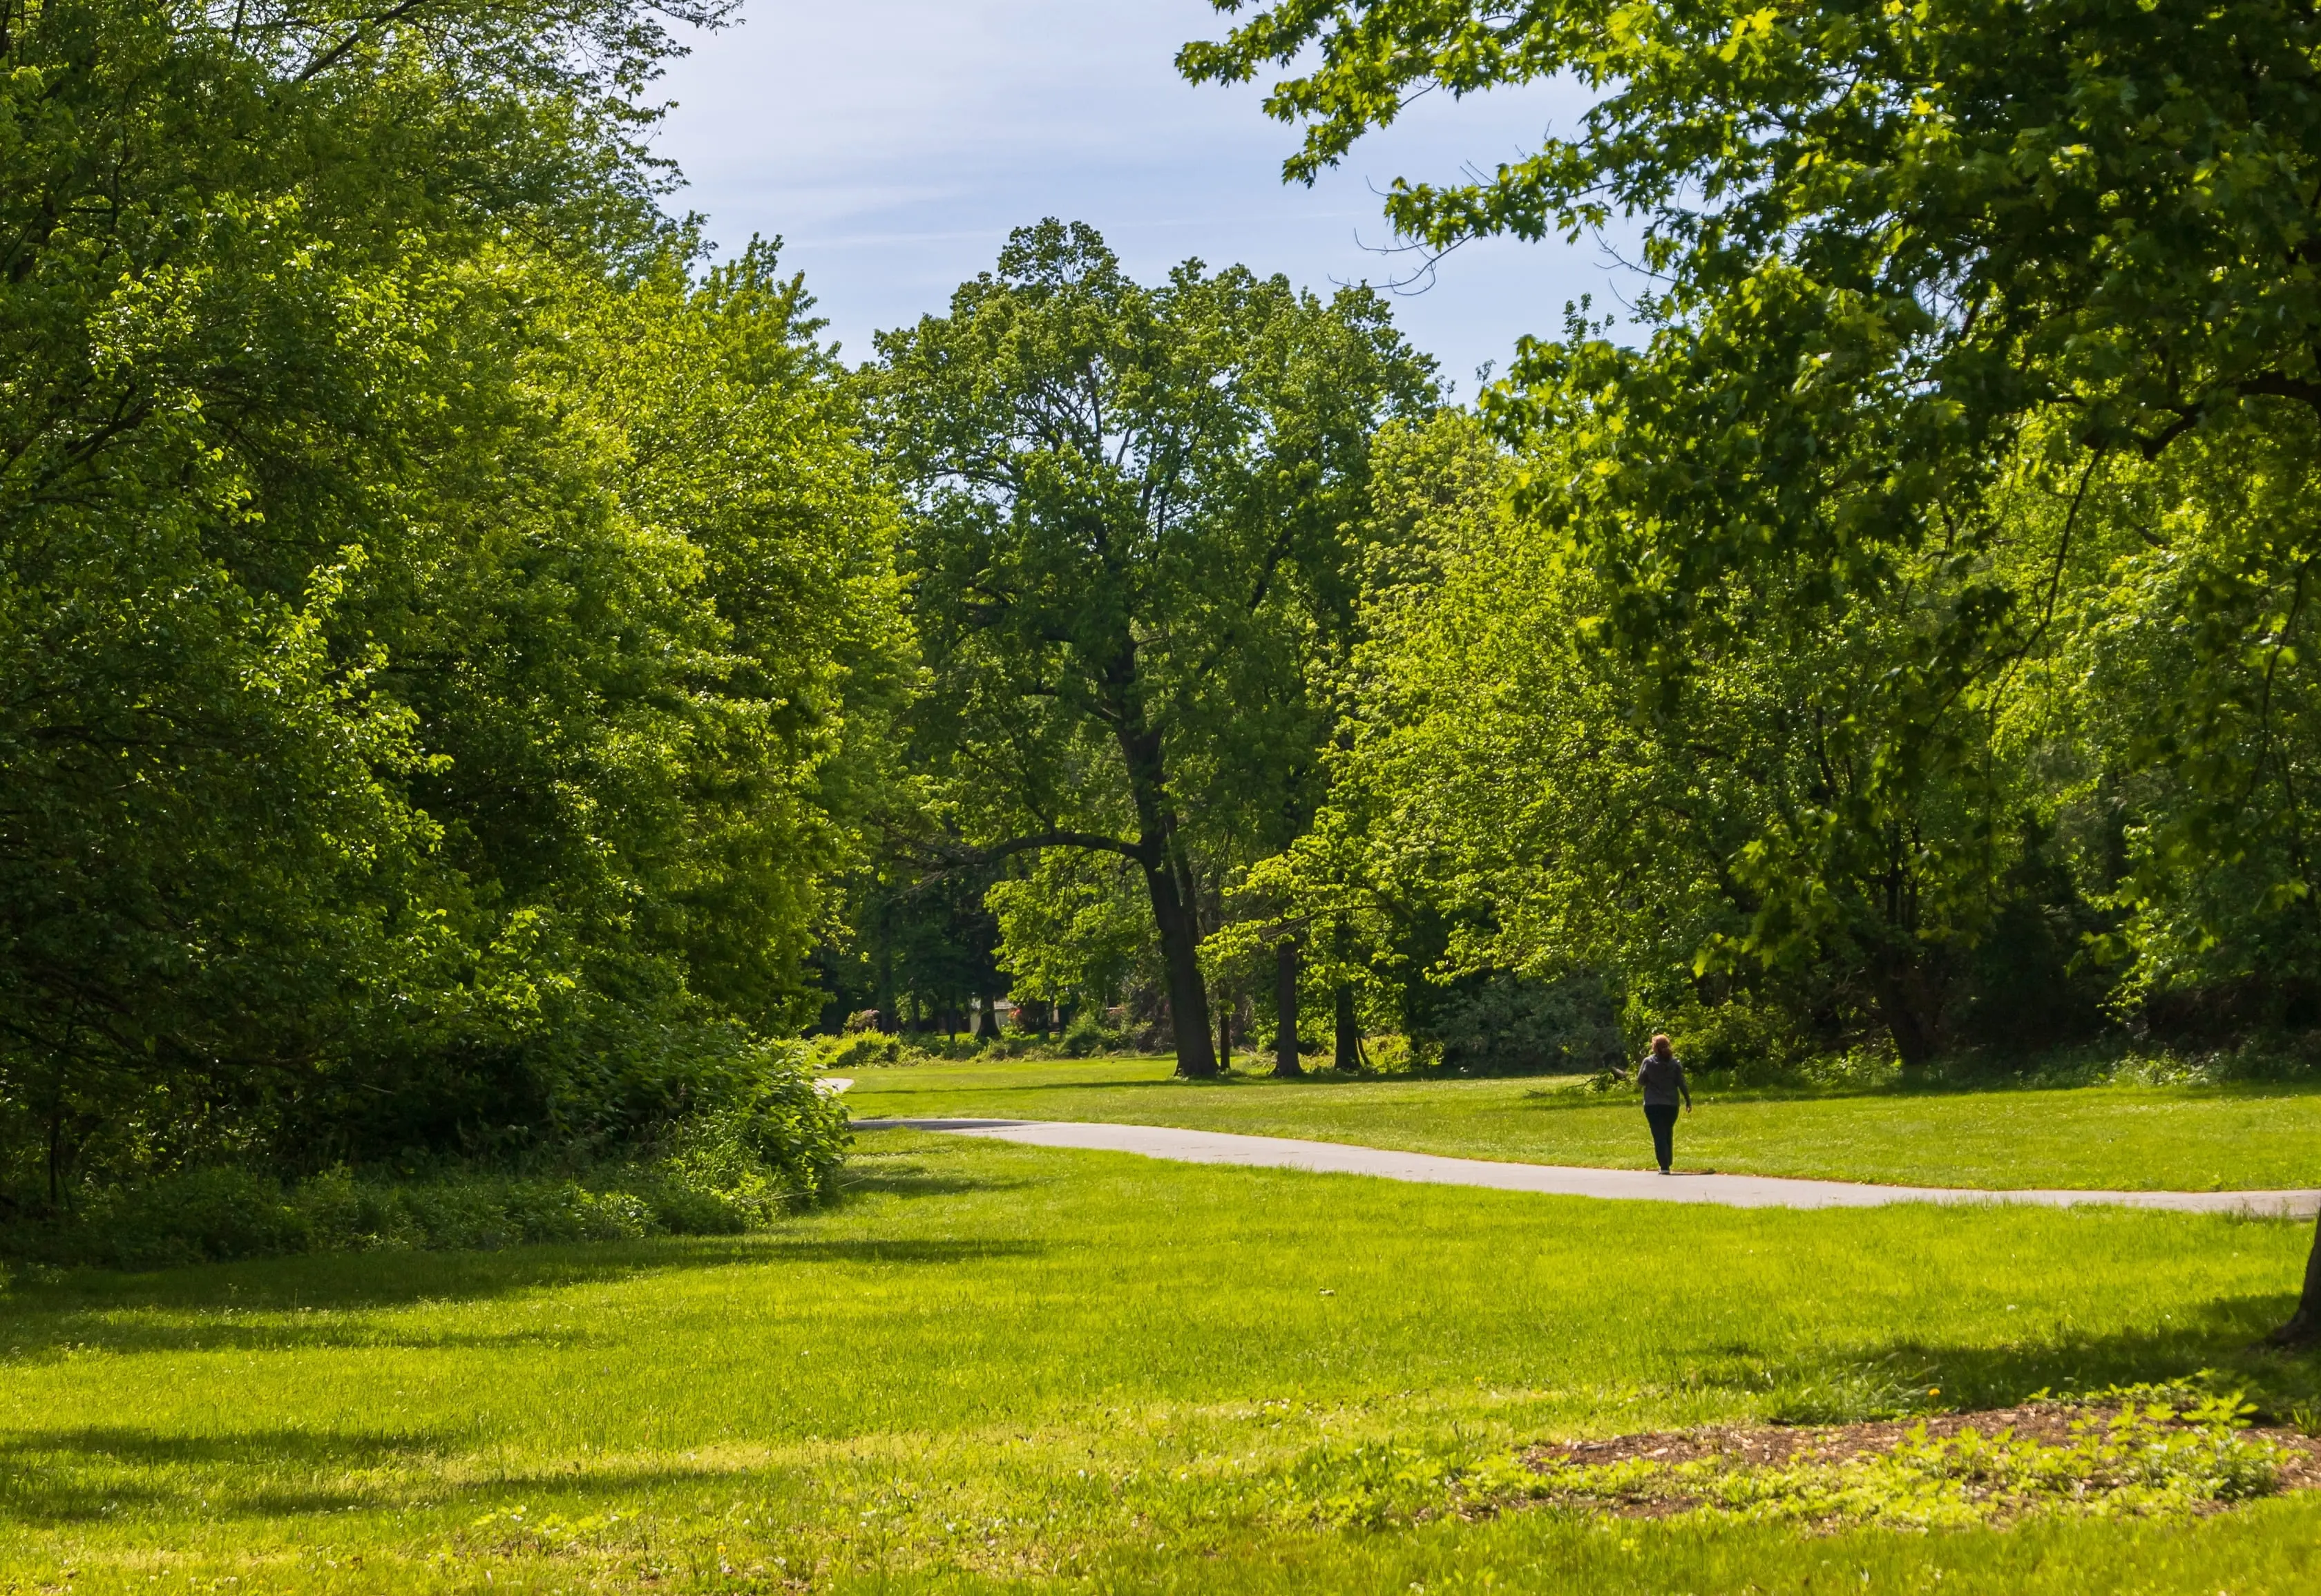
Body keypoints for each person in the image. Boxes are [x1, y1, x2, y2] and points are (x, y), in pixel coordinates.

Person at [1632, 1033, 1692, 1173]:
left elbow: (1640, 1081)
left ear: (1654, 1047)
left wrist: (1650, 1080)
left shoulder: (1648, 1062)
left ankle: (1664, 1165)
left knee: (1658, 1134)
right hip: (1671, 1104)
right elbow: (1681, 1083)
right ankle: (1668, 1161)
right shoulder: (1675, 1063)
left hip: (1653, 1104)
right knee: (1667, 1132)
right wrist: (1688, 1100)